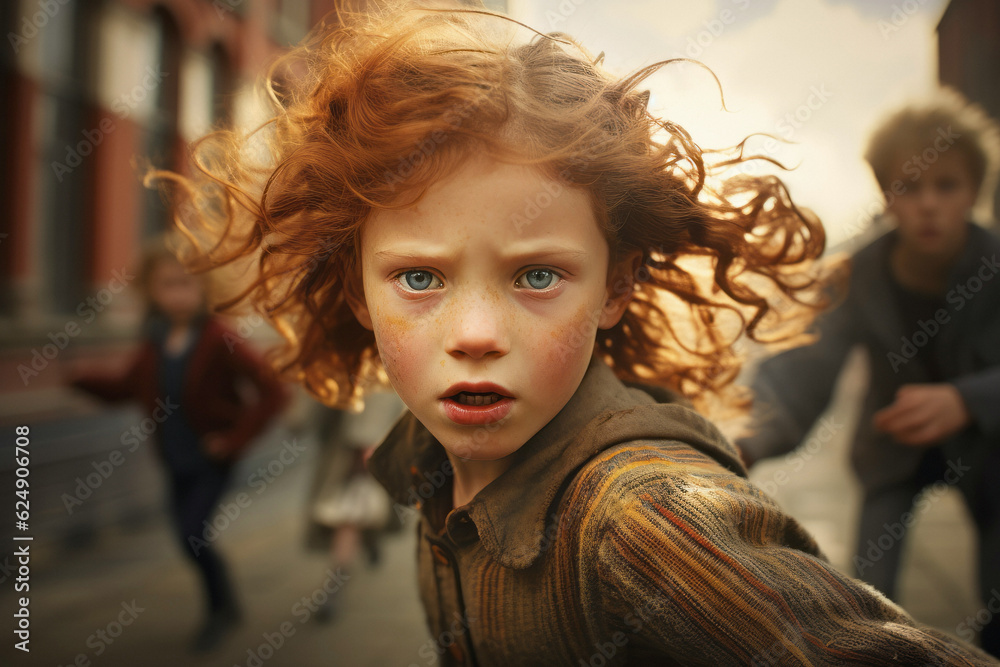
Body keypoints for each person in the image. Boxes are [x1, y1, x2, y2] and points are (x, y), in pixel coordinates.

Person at [147, 3, 999, 664]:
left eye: (536, 275)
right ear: (357, 291)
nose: (476, 332)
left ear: (617, 284)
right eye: (420, 277)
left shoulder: (645, 520)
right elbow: (803, 379)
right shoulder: (427, 468)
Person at [737, 90, 1000, 657]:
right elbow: (805, 364)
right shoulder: (857, 274)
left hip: (989, 450)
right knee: (870, 598)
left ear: (973, 191)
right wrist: (747, 439)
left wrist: (968, 399)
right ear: (886, 195)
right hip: (892, 447)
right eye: (908, 186)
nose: (927, 203)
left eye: (945, 185)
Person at [66, 235, 290, 652]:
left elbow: (274, 391)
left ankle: (218, 613)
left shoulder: (220, 337)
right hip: (173, 458)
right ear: (151, 289)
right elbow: (124, 388)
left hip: (211, 459)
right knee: (188, 539)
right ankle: (226, 604)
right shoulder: (155, 340)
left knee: (193, 535)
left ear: (205, 288)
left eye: (187, 283)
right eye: (168, 283)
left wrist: (234, 439)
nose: (178, 292)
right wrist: (79, 378)